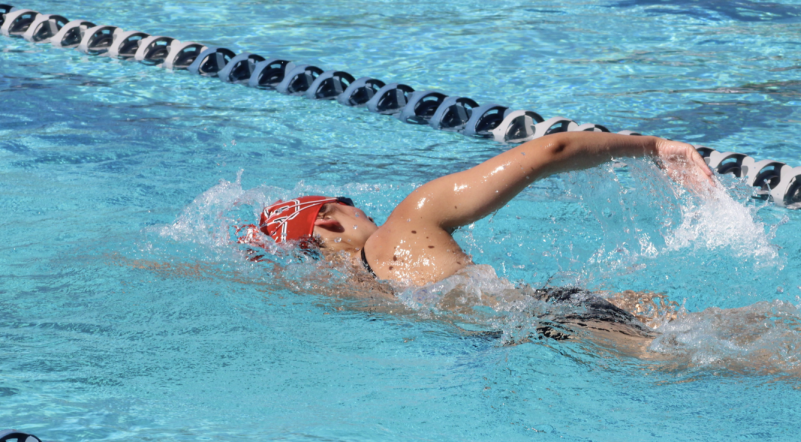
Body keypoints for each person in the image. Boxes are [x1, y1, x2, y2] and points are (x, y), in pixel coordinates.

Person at [238, 132, 712, 342]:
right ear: (327, 218)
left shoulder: (341, 294)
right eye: (347, 201)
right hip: (558, 312)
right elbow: (550, 150)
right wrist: (653, 148)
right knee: (755, 353)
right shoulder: (406, 223)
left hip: (521, 336)